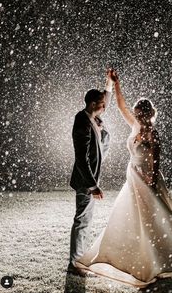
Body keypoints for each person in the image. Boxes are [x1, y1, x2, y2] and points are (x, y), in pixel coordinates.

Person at [75, 70, 172, 288]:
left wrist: (151, 179)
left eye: (140, 114)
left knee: (155, 221)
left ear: (148, 114)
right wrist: (115, 84)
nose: (136, 117)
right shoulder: (136, 126)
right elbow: (121, 106)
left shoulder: (152, 133)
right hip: (133, 177)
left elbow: (156, 160)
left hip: (147, 180)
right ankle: (133, 258)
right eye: (136, 114)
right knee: (129, 220)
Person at [67, 70, 113, 277]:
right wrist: (92, 185)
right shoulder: (82, 121)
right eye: (102, 103)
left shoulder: (93, 117)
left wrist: (109, 84)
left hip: (91, 179)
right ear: (93, 104)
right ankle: (75, 264)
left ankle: (80, 261)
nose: (105, 106)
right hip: (87, 181)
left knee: (85, 221)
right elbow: (81, 157)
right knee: (82, 221)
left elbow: (106, 100)